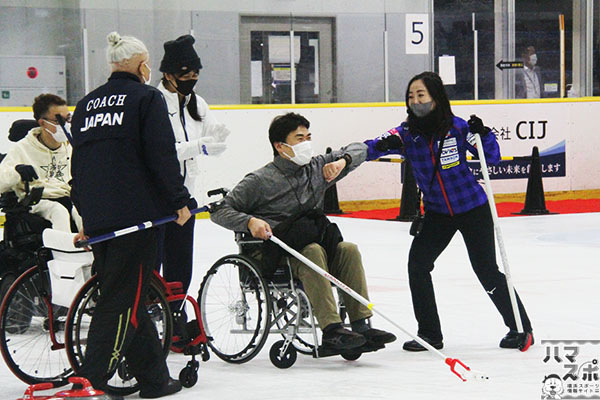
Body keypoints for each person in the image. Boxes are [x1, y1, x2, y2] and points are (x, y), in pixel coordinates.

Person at [363, 71, 533, 351]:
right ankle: (429, 333)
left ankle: (520, 326)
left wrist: (484, 135)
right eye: (410, 96)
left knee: (486, 269)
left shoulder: (457, 128)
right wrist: (365, 151)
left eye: (421, 95)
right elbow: (373, 147)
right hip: (437, 214)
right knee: (418, 265)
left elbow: (490, 158)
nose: (415, 101)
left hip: (472, 208)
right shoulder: (406, 134)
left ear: (436, 97)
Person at [210, 112, 396, 353]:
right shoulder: (259, 180)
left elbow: (359, 149)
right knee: (313, 251)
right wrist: (249, 222)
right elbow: (220, 211)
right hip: (275, 252)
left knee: (347, 250)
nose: (307, 143)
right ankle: (331, 329)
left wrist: (343, 161)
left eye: (309, 137)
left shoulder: (316, 168)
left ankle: (361, 324)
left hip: (308, 242)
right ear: (280, 146)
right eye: (300, 139)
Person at [70, 32, 191, 398]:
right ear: (142, 66)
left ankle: (153, 378)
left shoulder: (87, 104)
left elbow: (80, 163)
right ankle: (90, 378)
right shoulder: (146, 97)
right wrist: (179, 200)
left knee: (127, 292)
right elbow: (161, 155)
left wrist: (84, 215)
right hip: (135, 216)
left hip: (97, 216)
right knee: (123, 300)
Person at [156, 34, 229, 329]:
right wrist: (197, 146)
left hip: (187, 195)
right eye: (185, 73)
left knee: (180, 262)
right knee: (153, 261)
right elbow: (160, 152)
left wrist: (216, 142)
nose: (191, 78)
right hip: (158, 195)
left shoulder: (197, 103)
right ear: (168, 74)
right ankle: (152, 311)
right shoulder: (155, 102)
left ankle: (175, 313)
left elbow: (209, 144)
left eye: (196, 73)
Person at [0, 93, 82, 232]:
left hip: (68, 197)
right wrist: (17, 172)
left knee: (82, 213)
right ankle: (64, 251)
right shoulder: (23, 148)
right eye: (59, 121)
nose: (66, 125)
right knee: (58, 211)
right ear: (42, 123)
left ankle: (92, 249)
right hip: (37, 200)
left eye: (68, 119)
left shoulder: (71, 147)